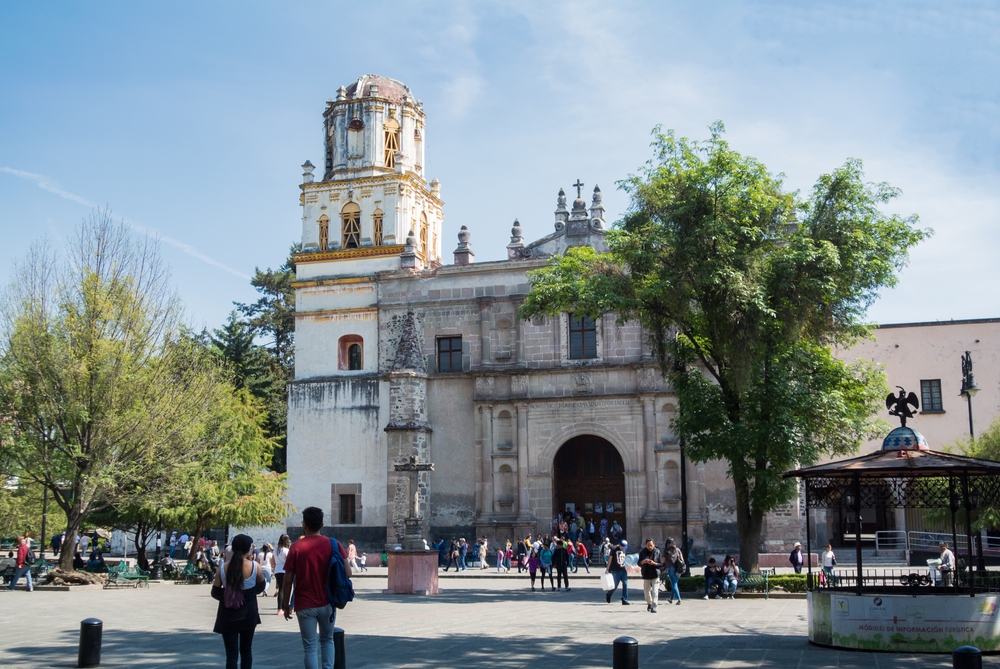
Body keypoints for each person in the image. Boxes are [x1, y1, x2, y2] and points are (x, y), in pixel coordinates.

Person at [279, 506, 350, 669]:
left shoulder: (296, 547)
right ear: (322, 524)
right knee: (327, 640)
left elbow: (287, 579)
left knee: (310, 647)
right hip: (328, 602)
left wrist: (286, 605)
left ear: (304, 525)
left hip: (304, 604)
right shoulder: (333, 544)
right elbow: (348, 572)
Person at [212, 533, 266, 669]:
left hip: (228, 615)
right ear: (249, 549)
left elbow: (215, 592)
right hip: (248, 614)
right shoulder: (255, 566)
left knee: (231, 653)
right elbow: (261, 587)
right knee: (246, 650)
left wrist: (231, 596)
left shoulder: (222, 568)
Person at [638, 538, 663, 613]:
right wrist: (643, 561)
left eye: (651, 545)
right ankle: (649, 603)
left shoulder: (657, 552)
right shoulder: (643, 552)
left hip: (655, 574)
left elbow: (661, 564)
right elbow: (638, 563)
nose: (650, 547)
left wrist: (654, 563)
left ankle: (654, 606)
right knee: (646, 592)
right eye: (648, 545)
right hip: (646, 574)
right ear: (645, 545)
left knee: (655, 591)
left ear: (654, 545)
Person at [605, 539, 629, 605]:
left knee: (625, 584)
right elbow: (610, 559)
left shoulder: (624, 549)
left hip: (623, 569)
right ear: (619, 544)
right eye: (622, 547)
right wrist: (607, 568)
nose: (623, 549)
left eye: (624, 547)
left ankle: (624, 599)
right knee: (614, 585)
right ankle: (609, 594)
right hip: (615, 570)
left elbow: (624, 558)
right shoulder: (613, 548)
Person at [664, 538, 683, 605]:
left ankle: (679, 599)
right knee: (674, 584)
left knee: (674, 584)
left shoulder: (667, 551)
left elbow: (663, 560)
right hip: (679, 569)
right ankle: (671, 598)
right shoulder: (677, 550)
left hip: (671, 568)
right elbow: (682, 559)